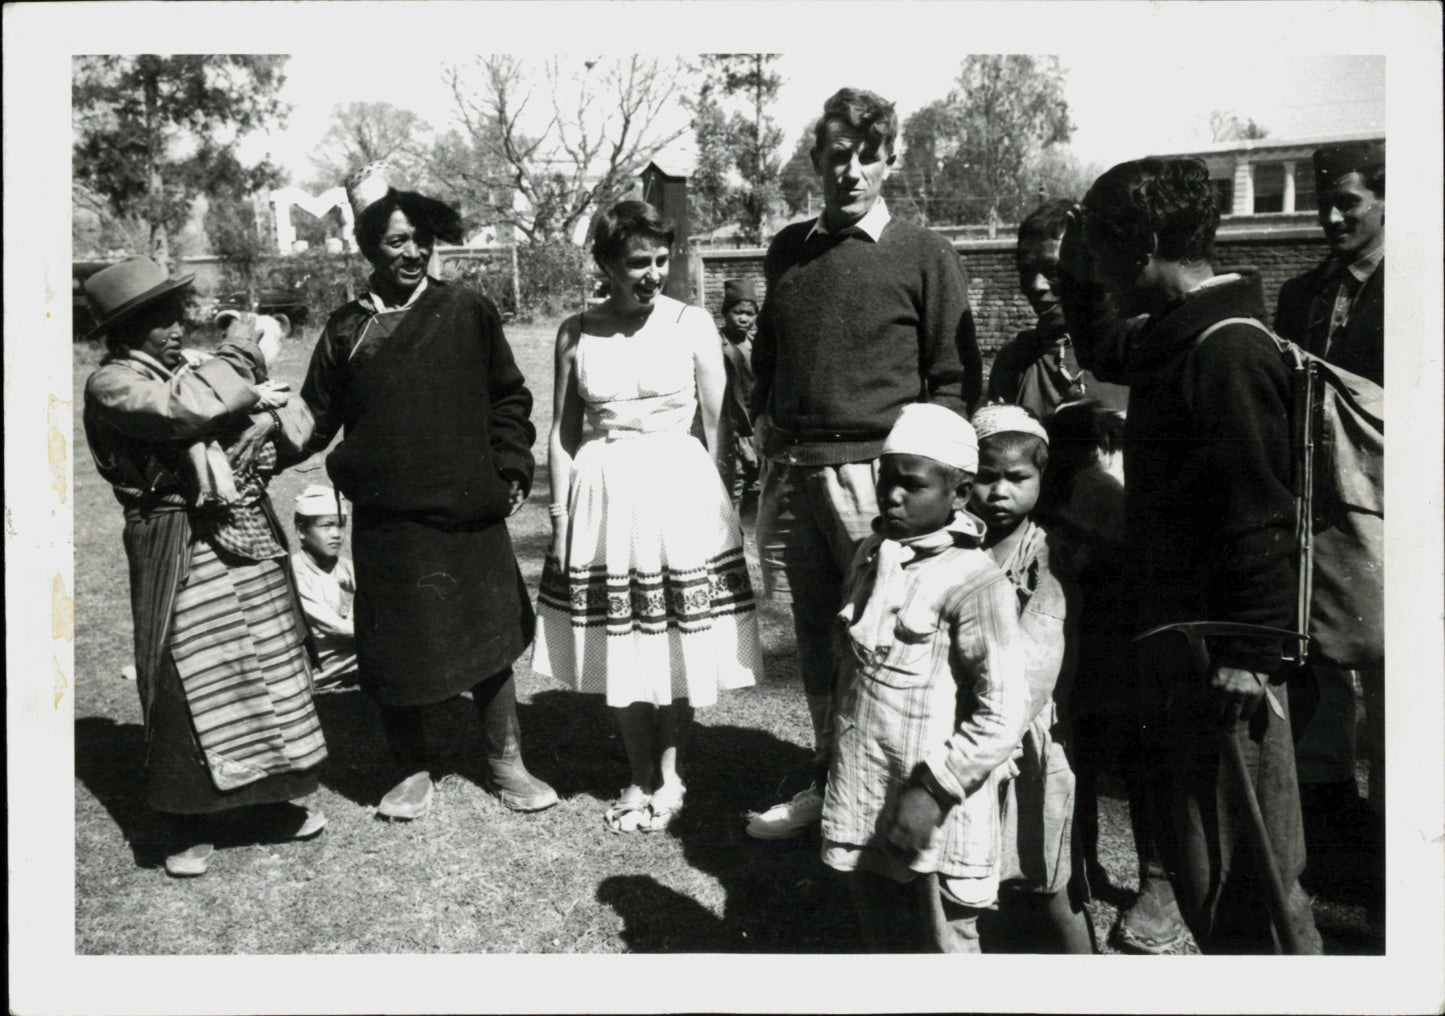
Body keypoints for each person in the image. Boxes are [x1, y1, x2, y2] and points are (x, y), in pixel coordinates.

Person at [1058, 157, 1321, 953]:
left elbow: (1260, 516)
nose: (1097, 271)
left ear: (1139, 245)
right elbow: (1107, 348)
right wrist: (1072, 270)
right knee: (1209, 880)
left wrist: (1249, 654)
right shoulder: (1181, 334)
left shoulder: (1225, 352)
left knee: (1260, 889)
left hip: (1232, 668)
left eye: (1100, 251)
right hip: (1192, 654)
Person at [746, 87, 980, 839]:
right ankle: (830, 782)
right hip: (793, 476)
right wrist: (769, 437)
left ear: (889, 161)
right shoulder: (788, 249)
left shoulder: (923, 252)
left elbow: (951, 380)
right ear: (816, 160)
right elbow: (768, 359)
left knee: (888, 641)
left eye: (867, 156)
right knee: (813, 634)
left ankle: (902, 798)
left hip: (881, 481)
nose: (851, 172)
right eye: (837, 156)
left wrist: (916, 477)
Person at [295, 162, 556, 821]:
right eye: (394, 242)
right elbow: (314, 418)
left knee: (489, 633)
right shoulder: (346, 331)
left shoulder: (466, 310)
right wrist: (254, 439)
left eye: (419, 240)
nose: (410, 252)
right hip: (387, 517)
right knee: (395, 642)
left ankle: (504, 758)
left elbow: (508, 397)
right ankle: (410, 766)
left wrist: (511, 466)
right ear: (366, 249)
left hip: (467, 507)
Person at [82, 257, 328, 878]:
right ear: (121, 331)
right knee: (189, 670)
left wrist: (262, 414)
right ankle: (188, 818)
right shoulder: (113, 385)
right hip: (176, 538)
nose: (172, 328)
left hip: (239, 530)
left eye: (172, 314)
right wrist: (244, 353)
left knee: (267, 659)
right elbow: (183, 411)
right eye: (153, 320)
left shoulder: (190, 370)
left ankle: (266, 801)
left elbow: (282, 427)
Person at [534, 199, 762, 833]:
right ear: (605, 262)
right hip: (603, 495)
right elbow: (561, 433)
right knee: (624, 636)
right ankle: (637, 773)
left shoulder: (692, 324)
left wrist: (721, 509)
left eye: (662, 259)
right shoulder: (575, 332)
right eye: (638, 262)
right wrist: (559, 514)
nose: (653, 273)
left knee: (677, 632)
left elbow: (718, 428)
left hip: (678, 491)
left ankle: (670, 771)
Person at [821, 403, 1026, 952]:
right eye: (885, 481)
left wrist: (934, 791)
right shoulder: (872, 554)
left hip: (935, 811)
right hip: (868, 791)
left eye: (911, 485)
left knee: (945, 945)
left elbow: (1003, 713)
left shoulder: (974, 583)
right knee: (882, 935)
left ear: (959, 494)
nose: (891, 496)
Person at [1274, 139, 1385, 903]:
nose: (1331, 216)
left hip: (1391, 505)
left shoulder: (1418, 286)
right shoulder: (1299, 295)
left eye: (1347, 202)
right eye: (1325, 202)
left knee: (1391, 668)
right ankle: (1328, 833)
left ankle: (1393, 837)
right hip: (1319, 507)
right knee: (1317, 659)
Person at [1040, 399, 1188, 953]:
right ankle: (1077, 859)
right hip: (1077, 647)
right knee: (1075, 756)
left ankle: (1157, 880)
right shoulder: (1071, 489)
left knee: (1137, 763)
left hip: (1119, 648)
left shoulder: (1101, 492)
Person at [969, 404, 1094, 953]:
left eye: (1017, 479)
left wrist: (997, 724)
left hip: (1026, 730)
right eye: (985, 478)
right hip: (963, 725)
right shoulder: (954, 544)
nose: (999, 492)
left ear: (1042, 479)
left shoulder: (1044, 556)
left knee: (1047, 861)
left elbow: (1039, 659)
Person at [987, 199, 1127, 419]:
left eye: (1053, 270)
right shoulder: (1015, 363)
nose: (1036, 286)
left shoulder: (1131, 349)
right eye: (1027, 271)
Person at [290, 485, 358, 691]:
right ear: (301, 530)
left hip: (357, 664)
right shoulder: (294, 574)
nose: (336, 534)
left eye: (340, 525)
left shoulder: (348, 568)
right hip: (321, 672)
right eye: (326, 526)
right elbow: (339, 628)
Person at [717, 278, 762, 510]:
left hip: (758, 431)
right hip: (731, 433)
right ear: (726, 312)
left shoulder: (759, 345)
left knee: (759, 491)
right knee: (732, 490)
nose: (744, 319)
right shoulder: (715, 345)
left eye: (750, 313)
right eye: (738, 312)